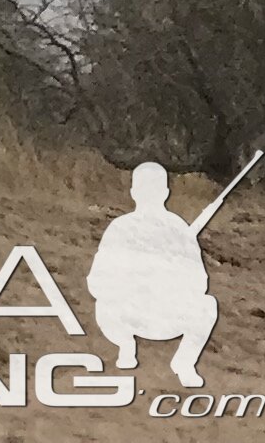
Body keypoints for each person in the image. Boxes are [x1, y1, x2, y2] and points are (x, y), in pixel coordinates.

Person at [86, 161, 222, 389]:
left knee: (207, 305)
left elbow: (199, 283)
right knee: (104, 304)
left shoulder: (177, 230)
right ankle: (126, 346)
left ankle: (184, 363)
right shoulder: (121, 228)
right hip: (129, 314)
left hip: (166, 316)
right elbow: (97, 282)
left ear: (133, 192)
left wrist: (169, 280)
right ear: (166, 193)